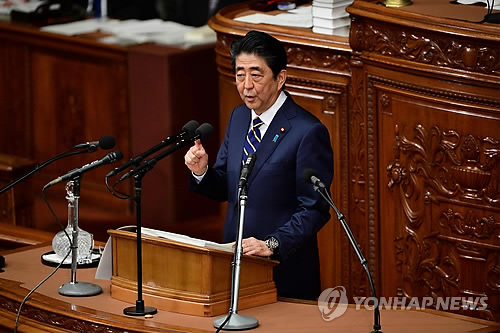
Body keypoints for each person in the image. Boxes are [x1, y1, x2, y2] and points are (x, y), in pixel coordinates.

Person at [184, 30, 333, 300]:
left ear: (280, 78)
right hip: (235, 265)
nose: (246, 85)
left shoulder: (308, 131)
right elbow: (227, 187)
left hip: (284, 270)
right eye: (240, 74)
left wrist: (272, 244)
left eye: (256, 74)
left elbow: (315, 209)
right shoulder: (239, 117)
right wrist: (202, 171)